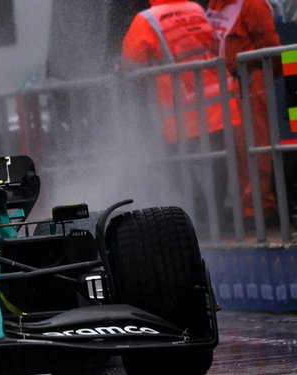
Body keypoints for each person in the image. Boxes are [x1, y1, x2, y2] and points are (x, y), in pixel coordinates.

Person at [207, 0, 283, 220]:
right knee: (239, 148)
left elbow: (271, 47)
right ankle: (246, 206)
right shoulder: (217, 4)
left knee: (256, 145)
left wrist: (271, 75)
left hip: (250, 83)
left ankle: (259, 208)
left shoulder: (253, 5)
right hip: (228, 85)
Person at [121, 0, 232, 145]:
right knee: (227, 163)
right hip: (222, 108)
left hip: (185, 118)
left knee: (193, 164)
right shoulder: (195, 8)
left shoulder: (146, 20)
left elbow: (129, 65)